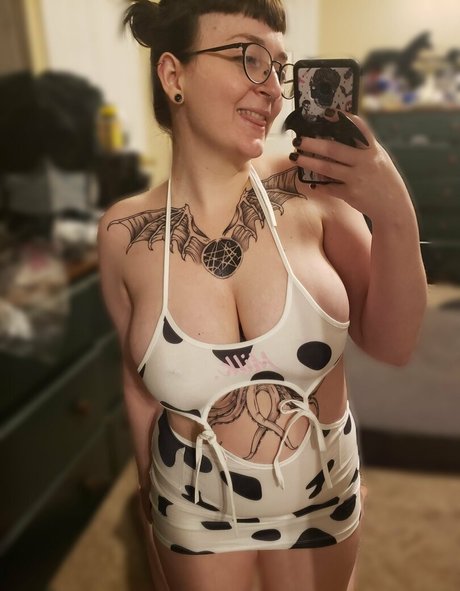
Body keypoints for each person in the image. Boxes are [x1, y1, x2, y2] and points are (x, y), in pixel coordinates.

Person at [97, 1, 427, 589]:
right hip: (191, 508)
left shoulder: (314, 187)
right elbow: (138, 387)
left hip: (321, 495)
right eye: (249, 58)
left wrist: (394, 211)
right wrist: (150, 505)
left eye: (279, 67)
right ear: (173, 75)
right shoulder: (125, 233)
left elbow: (394, 344)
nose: (274, 91)